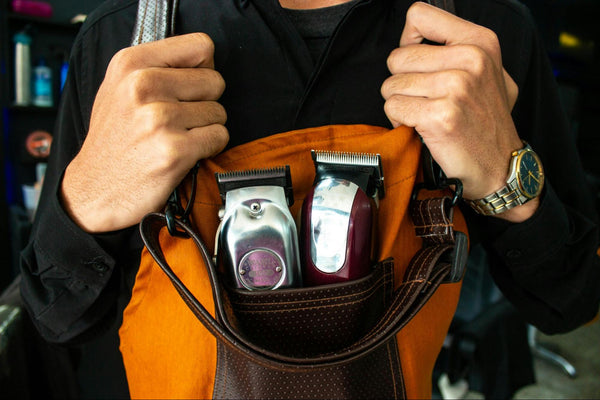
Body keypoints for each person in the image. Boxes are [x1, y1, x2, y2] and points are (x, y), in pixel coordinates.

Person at [19, 0, 600, 397]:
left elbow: (568, 300)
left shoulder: (484, 37)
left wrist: (506, 176)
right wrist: (91, 198)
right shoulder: (121, 39)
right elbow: (57, 317)